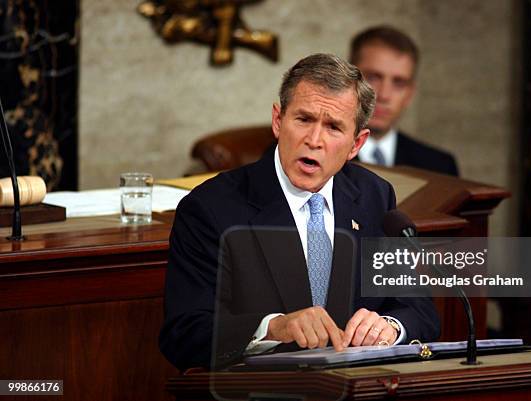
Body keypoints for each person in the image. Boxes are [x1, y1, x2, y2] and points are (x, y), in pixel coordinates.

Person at [159, 53, 440, 370]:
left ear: (356, 144)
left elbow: (418, 310)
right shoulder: (211, 208)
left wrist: (389, 326)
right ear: (278, 121)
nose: (314, 140)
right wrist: (273, 328)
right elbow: (183, 334)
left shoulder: (374, 197)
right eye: (304, 120)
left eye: (333, 127)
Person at [350, 26, 459, 176]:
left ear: (409, 93)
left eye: (399, 83)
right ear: (349, 81)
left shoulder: (439, 167)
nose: (384, 95)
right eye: (373, 78)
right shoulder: (320, 156)